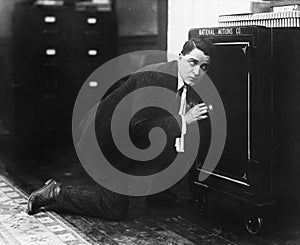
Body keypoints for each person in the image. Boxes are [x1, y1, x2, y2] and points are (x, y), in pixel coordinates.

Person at [27, 37, 215, 220]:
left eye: (203, 67)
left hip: (131, 142)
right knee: (114, 209)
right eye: (193, 62)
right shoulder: (154, 77)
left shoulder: (185, 81)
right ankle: (55, 192)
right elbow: (139, 128)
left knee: (175, 136)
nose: (197, 72)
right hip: (105, 141)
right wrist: (185, 119)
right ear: (180, 57)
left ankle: (156, 190)